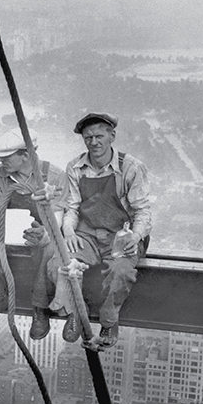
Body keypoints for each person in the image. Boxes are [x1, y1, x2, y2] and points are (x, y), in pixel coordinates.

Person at [50, 113, 152, 346]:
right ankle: (76, 311)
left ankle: (108, 322)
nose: (93, 142)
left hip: (121, 235)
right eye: (88, 138)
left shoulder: (130, 167)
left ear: (111, 136)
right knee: (62, 263)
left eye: (99, 136)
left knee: (120, 273)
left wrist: (135, 237)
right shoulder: (75, 167)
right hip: (87, 234)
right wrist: (69, 233)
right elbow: (72, 207)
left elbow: (142, 211)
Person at [0, 128, 68, 339]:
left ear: (26, 154)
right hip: (10, 228)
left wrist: (44, 233)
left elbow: (57, 216)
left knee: (46, 246)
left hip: (40, 231)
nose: (0, 160)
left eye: (6, 157)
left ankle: (40, 306)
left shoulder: (54, 175)